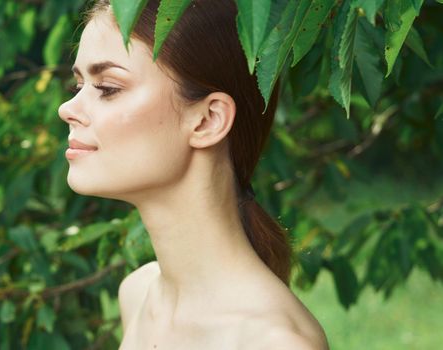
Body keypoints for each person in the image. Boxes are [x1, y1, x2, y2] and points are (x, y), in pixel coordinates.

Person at [58, 0, 329, 349]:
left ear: (207, 120)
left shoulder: (273, 342)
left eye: (108, 88)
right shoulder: (139, 295)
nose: (67, 109)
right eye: (78, 86)